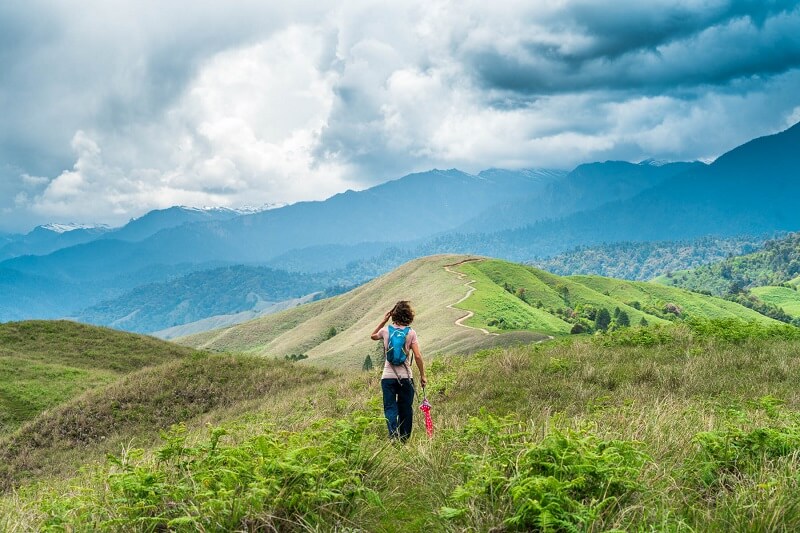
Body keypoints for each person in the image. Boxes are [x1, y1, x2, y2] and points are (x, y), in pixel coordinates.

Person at [370, 300, 427, 442]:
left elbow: (373, 335)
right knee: (405, 408)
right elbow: (418, 356)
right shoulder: (411, 333)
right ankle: (404, 439)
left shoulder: (385, 331)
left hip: (387, 377)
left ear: (393, 315)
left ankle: (393, 435)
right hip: (406, 377)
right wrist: (423, 375)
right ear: (409, 315)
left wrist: (383, 321)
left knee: (390, 407)